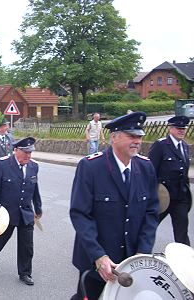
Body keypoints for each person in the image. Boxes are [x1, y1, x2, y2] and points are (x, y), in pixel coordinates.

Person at [70, 112, 159, 299]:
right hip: (97, 261)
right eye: (131, 136)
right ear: (114, 138)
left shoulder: (146, 168)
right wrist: (98, 256)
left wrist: (142, 254)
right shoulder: (91, 167)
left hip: (131, 263)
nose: (137, 141)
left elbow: (151, 213)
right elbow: (80, 214)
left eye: (139, 136)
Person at [0, 137, 42, 286]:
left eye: (30, 153)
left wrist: (38, 208)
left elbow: (35, 189)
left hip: (26, 212)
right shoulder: (3, 165)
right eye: (25, 152)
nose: (28, 156)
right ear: (16, 150)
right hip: (6, 213)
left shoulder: (33, 166)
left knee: (27, 245)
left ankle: (25, 273)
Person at [148, 115, 191, 246]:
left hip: (180, 197)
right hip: (163, 196)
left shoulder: (184, 146)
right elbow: (151, 171)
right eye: (178, 128)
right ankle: (140, 256)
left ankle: (185, 261)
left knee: (182, 231)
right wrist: (151, 196)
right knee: (149, 228)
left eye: (183, 128)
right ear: (170, 129)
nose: (182, 131)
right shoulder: (161, 145)